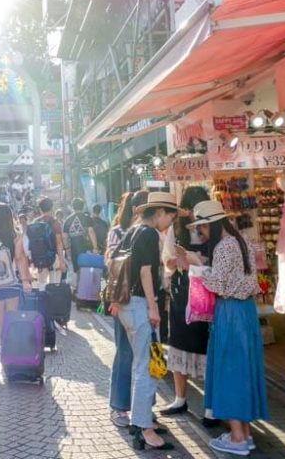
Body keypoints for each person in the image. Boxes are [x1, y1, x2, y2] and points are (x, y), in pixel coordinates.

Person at [180, 200, 267, 456]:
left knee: (229, 370)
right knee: (243, 369)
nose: (201, 233)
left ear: (211, 225)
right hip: (246, 311)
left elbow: (217, 284)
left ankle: (238, 438)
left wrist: (193, 269)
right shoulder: (241, 242)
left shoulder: (223, 246)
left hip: (230, 311)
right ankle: (245, 434)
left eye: (202, 228)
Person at [109, 191, 177, 451]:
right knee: (147, 366)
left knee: (150, 363)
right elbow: (146, 272)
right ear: (160, 213)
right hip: (140, 306)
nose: (170, 223)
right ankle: (143, 427)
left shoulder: (133, 230)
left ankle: (143, 421)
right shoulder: (148, 234)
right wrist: (153, 307)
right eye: (169, 217)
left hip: (128, 305)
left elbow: (114, 263)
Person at [160, 186, 215, 425]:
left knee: (208, 347)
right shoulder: (177, 229)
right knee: (179, 342)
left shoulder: (213, 229)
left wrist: (196, 260)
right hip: (183, 293)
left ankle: (212, 406)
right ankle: (180, 397)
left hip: (208, 294)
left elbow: (218, 262)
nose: (194, 214)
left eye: (198, 208)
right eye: (191, 208)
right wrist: (177, 260)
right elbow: (166, 261)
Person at [0, 203, 33, 367]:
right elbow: (20, 258)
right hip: (10, 283)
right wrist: (25, 281)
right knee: (11, 318)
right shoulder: (14, 234)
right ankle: (9, 352)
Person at [106, 191, 139, 427]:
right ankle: (119, 407)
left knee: (144, 355)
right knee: (126, 352)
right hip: (125, 299)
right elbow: (112, 267)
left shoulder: (152, 232)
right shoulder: (118, 232)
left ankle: (141, 405)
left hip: (145, 301)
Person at [27, 197, 66, 287]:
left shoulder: (35, 222)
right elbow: (59, 243)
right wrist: (61, 261)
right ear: (52, 208)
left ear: (40, 209)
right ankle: (53, 300)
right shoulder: (55, 223)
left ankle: (42, 299)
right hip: (54, 257)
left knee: (41, 283)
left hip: (39, 258)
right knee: (55, 284)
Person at [63, 197, 98, 283]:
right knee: (87, 269)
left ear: (72, 206)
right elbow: (91, 232)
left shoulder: (67, 220)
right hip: (87, 248)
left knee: (77, 270)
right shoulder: (87, 218)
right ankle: (85, 289)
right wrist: (95, 247)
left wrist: (67, 250)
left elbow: (65, 237)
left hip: (73, 249)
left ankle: (78, 290)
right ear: (82, 207)